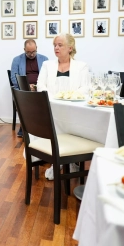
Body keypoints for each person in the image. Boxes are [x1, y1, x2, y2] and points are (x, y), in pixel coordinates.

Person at [36, 33, 89, 181]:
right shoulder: (47, 65)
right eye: (54, 45)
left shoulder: (82, 66)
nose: (56, 48)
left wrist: (68, 98)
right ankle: (58, 162)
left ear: (70, 48)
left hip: (73, 109)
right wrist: (53, 99)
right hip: (51, 107)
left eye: (60, 45)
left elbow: (85, 88)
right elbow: (40, 85)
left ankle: (70, 159)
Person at [10, 40, 49, 135]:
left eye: (33, 51)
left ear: (37, 48)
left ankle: (38, 127)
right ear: (24, 50)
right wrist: (27, 86)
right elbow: (13, 78)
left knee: (43, 98)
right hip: (23, 88)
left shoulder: (44, 59)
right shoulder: (17, 60)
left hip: (39, 88)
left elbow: (49, 77)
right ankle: (25, 127)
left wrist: (37, 86)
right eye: (28, 52)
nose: (31, 54)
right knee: (25, 98)